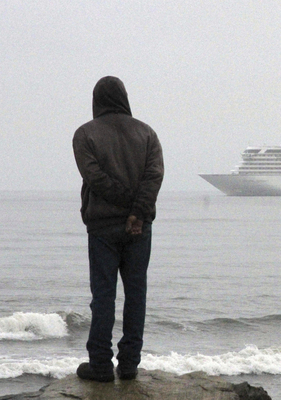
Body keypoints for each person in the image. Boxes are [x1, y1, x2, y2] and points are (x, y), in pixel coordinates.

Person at [72, 76, 164, 382]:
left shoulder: (85, 134)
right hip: (140, 227)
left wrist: (126, 206)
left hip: (102, 226)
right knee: (136, 294)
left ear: (96, 99)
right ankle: (129, 365)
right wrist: (137, 211)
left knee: (103, 296)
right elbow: (154, 176)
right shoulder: (147, 133)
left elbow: (94, 177)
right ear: (125, 97)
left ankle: (100, 366)